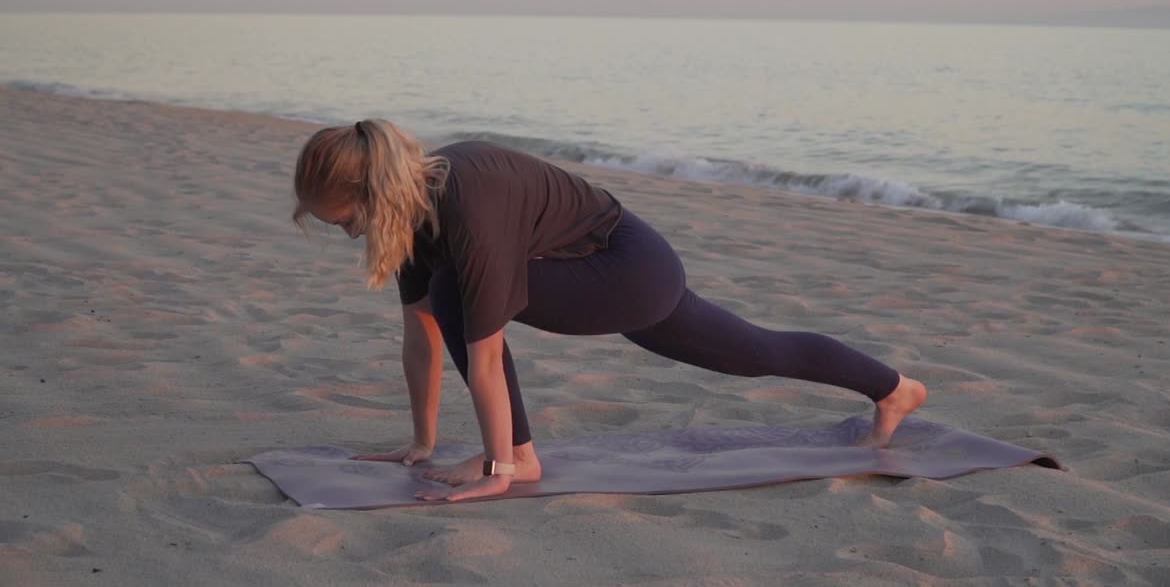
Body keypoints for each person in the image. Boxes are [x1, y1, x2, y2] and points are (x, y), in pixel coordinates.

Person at [291, 119, 928, 502]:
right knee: (755, 351)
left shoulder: (467, 211)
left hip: (628, 269)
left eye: (345, 220)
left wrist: (498, 467)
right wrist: (421, 443)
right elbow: (421, 336)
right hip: (601, 270)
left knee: (459, 290)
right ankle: (895, 390)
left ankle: (521, 454)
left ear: (373, 193)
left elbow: (482, 354)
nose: (347, 234)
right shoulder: (409, 213)